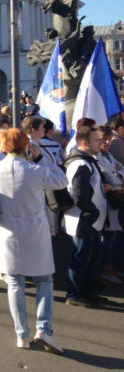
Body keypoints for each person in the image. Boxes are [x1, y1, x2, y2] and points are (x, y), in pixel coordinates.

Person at [0, 128, 67, 353]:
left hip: (7, 233)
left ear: (3, 146)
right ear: (25, 146)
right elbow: (61, 180)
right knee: (44, 281)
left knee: (15, 284)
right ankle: (44, 329)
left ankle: (21, 334)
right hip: (34, 232)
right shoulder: (35, 170)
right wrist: (41, 156)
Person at [64, 125, 111, 307]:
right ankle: (74, 294)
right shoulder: (80, 164)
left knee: (90, 256)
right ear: (85, 143)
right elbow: (79, 194)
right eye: (97, 140)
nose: (101, 143)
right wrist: (91, 212)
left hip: (91, 219)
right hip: (83, 219)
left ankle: (87, 291)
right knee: (80, 256)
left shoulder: (89, 161)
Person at [98, 126, 124, 284]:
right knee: (108, 237)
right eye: (102, 139)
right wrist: (117, 175)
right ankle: (106, 269)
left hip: (115, 200)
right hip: (107, 202)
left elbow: (120, 172)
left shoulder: (107, 155)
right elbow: (110, 177)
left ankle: (110, 266)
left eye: (108, 139)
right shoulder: (97, 157)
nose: (106, 142)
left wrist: (118, 174)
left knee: (114, 236)